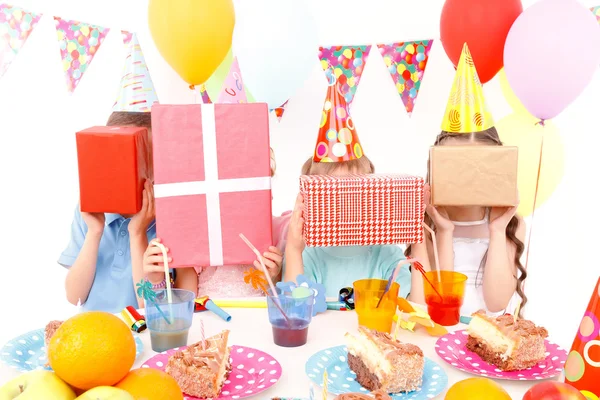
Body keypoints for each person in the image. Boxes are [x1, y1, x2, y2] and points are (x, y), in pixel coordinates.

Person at [406, 44, 526, 316]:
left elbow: (496, 304)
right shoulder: (425, 224)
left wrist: (497, 231)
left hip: (488, 342)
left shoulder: (511, 226)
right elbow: (433, 307)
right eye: (455, 167)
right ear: (435, 167)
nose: (467, 179)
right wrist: (444, 231)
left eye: (476, 167)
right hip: (440, 338)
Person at [59, 111, 196, 313]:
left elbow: (151, 306)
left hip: (145, 332)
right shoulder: (88, 213)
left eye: (147, 159)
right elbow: (74, 296)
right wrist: (94, 232)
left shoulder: (172, 218)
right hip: (94, 330)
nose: (141, 170)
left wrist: (137, 232)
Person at [284, 83, 411, 298]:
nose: (345, 204)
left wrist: (416, 240)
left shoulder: (386, 254)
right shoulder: (308, 256)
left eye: (354, 190)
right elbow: (295, 311)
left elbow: (418, 308)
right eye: (332, 193)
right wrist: (294, 249)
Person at [143, 148, 287, 297]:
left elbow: (284, 303)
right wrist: (156, 280)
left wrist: (274, 277)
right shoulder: (197, 242)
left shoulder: (277, 236)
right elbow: (187, 303)